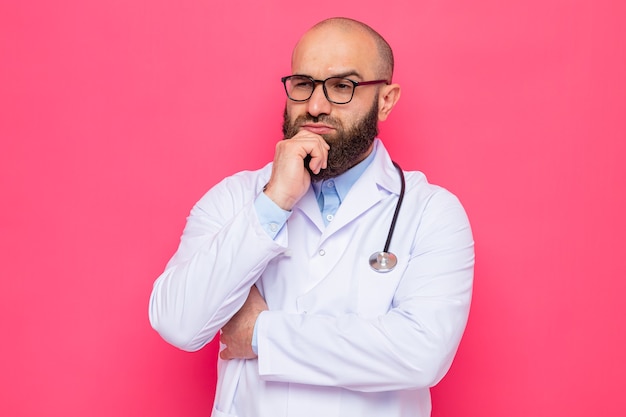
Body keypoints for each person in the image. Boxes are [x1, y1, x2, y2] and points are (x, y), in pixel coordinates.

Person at [149, 17, 474, 417]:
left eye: (342, 86)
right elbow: (177, 323)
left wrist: (260, 335)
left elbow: (420, 353)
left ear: (385, 100)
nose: (316, 106)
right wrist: (275, 202)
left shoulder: (431, 213)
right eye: (303, 84)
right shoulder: (237, 199)